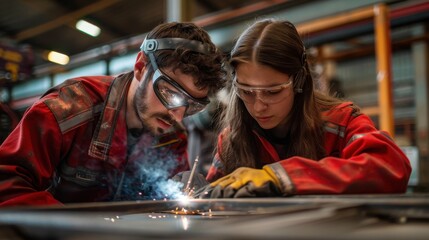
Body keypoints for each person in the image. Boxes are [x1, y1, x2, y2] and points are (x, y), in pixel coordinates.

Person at [0, 22, 226, 206]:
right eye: (171, 94)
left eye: (191, 106)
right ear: (141, 67)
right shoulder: (68, 110)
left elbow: (163, 205)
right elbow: (8, 184)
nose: (177, 117)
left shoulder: (172, 136)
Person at [199, 19, 411, 198]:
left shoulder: (342, 122)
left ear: (299, 80)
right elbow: (213, 196)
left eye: (273, 92)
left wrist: (281, 176)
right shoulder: (232, 139)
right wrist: (200, 189)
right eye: (246, 91)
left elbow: (390, 167)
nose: (258, 106)